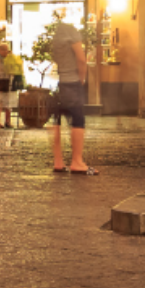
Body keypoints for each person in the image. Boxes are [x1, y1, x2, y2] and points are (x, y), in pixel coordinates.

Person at [46, 12, 95, 174]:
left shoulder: (57, 36)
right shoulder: (71, 31)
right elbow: (81, 59)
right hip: (73, 82)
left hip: (62, 82)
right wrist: (82, 79)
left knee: (58, 119)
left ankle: (58, 161)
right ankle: (77, 161)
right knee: (78, 120)